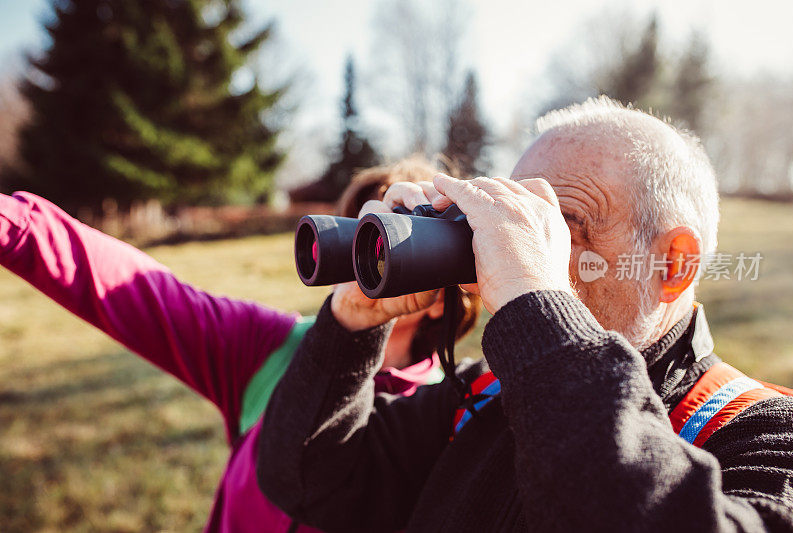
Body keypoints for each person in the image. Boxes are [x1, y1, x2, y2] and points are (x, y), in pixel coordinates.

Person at [256, 97, 793, 532]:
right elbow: (305, 480)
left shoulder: (766, 434)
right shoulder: (480, 397)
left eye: (558, 225)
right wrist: (352, 323)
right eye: (515, 220)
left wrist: (536, 304)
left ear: (675, 264)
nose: (518, 247)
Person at [0, 157, 480, 532]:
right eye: (356, 232)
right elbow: (137, 291)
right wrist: (14, 222)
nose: (361, 260)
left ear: (441, 297)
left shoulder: (450, 417)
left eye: (385, 242)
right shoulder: (271, 350)